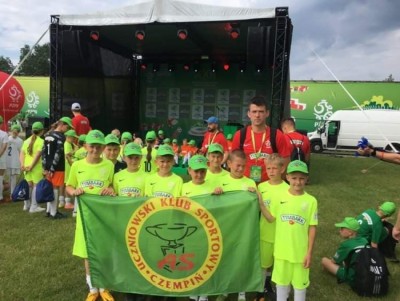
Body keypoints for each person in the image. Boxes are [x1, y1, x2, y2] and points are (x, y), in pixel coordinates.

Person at [66, 129, 115, 301]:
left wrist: (110, 190)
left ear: (103, 147)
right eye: (92, 146)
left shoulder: (109, 165)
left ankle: (104, 286)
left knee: (103, 250)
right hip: (84, 216)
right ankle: (93, 288)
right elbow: (69, 186)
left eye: (99, 147)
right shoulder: (77, 166)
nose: (95, 150)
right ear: (86, 146)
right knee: (88, 252)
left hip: (103, 216)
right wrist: (74, 191)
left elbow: (113, 188)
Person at [258, 160, 318, 301]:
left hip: (300, 254)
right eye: (294, 178)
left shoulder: (311, 201)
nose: (298, 182)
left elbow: (312, 227)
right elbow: (271, 218)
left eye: (302, 178)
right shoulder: (280, 197)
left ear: (307, 179)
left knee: (299, 287)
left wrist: (309, 253)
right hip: (281, 252)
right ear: (288, 177)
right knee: (281, 284)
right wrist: (261, 203)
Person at [215, 149, 257, 301]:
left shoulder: (250, 182)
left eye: (243, 166)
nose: (240, 169)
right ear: (229, 164)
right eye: (237, 166)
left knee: (242, 258)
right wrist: (217, 192)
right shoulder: (222, 181)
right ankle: (225, 288)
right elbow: (215, 204)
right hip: (226, 227)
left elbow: (256, 206)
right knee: (226, 258)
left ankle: (241, 291)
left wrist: (254, 194)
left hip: (244, 228)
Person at [183, 154, 220, 301]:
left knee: (206, 263)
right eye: (196, 171)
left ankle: (204, 294)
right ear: (190, 170)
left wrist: (219, 194)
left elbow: (220, 207)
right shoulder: (184, 187)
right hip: (189, 231)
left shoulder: (212, 186)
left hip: (206, 232)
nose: (199, 175)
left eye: (202, 171)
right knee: (191, 261)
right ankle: (193, 292)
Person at [231, 96, 291, 183]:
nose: (257, 115)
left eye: (261, 112)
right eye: (254, 111)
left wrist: (277, 183)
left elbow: (286, 162)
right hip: (245, 184)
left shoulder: (277, 135)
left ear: (267, 113)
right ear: (249, 114)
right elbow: (233, 162)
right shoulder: (240, 135)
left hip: (270, 185)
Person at [257, 154, 289, 300]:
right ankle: (261, 289)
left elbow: (271, 218)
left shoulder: (287, 189)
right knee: (264, 264)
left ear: (282, 169)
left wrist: (261, 204)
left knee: (279, 266)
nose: (271, 171)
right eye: (268, 168)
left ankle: (280, 290)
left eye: (274, 168)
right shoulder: (261, 187)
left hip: (281, 235)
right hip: (264, 233)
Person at [321, 217, 368, 288]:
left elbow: (334, 261)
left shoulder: (346, 245)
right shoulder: (365, 240)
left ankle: (347, 276)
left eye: (342, 229)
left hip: (355, 277)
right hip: (368, 271)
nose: (340, 231)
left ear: (350, 232)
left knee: (324, 260)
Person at [42, 116, 72, 219]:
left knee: (50, 187)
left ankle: (48, 210)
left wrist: (45, 167)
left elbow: (44, 152)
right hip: (57, 167)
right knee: (55, 188)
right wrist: (53, 168)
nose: (67, 130)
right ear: (62, 125)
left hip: (47, 166)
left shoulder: (47, 135)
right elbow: (58, 153)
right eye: (67, 127)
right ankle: (54, 213)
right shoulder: (61, 137)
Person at [19, 122, 46, 212]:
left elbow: (22, 153)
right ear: (42, 131)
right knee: (36, 186)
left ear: (32, 131)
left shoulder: (26, 140)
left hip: (26, 165)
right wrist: (31, 166)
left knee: (28, 185)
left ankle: (26, 205)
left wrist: (22, 164)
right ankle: (34, 206)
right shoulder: (41, 141)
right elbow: (37, 155)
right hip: (36, 167)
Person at [63, 129, 79, 209]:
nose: (74, 139)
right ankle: (67, 202)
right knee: (68, 183)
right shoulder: (66, 144)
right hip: (68, 165)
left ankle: (66, 201)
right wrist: (75, 150)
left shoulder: (69, 143)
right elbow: (67, 154)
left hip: (69, 165)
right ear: (68, 137)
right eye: (73, 138)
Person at [6, 124, 23, 194]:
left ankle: (12, 192)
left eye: (16, 132)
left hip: (14, 161)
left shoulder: (20, 141)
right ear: (11, 131)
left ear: (18, 133)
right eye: (14, 132)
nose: (14, 133)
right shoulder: (7, 138)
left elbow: (21, 152)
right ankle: (10, 191)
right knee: (10, 177)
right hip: (8, 161)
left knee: (13, 177)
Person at [0, 115, 8, 202]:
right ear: (1, 123)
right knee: (0, 178)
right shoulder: (4, 134)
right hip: (1, 159)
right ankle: (0, 197)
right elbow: (4, 147)